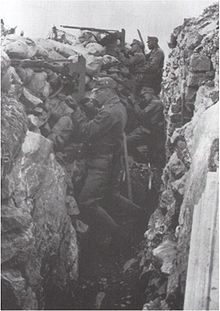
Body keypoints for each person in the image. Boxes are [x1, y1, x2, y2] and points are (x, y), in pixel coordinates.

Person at [71, 77, 128, 240]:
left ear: (107, 91)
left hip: (100, 162)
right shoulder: (117, 106)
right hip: (109, 159)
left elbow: (86, 132)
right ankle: (140, 215)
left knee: (86, 202)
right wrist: (88, 106)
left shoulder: (110, 112)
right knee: (111, 195)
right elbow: (102, 118)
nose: (95, 95)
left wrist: (75, 109)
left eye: (97, 92)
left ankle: (118, 235)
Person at [127, 87, 165, 167]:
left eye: (144, 96)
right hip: (147, 130)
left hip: (148, 132)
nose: (143, 98)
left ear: (150, 94)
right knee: (152, 155)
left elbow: (141, 115)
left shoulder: (156, 103)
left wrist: (134, 102)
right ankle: (145, 162)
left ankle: (142, 160)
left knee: (126, 142)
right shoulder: (154, 102)